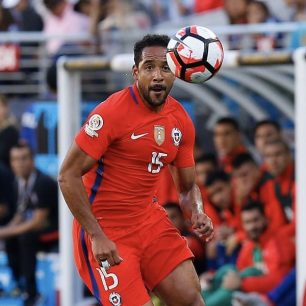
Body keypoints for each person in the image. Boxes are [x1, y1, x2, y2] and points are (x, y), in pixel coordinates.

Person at [58, 34, 214, 306]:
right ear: (135, 72)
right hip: (106, 229)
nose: (157, 75)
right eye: (149, 67)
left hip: (149, 221)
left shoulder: (181, 121)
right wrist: (96, 235)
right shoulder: (111, 113)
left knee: (192, 300)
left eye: (165, 67)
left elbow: (187, 188)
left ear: (176, 71)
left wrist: (197, 212)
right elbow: (67, 176)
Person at [0, 142, 58, 306]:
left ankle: (32, 294)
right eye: (15, 159)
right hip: (35, 226)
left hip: (53, 229)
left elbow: (38, 222)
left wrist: (6, 231)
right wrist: (7, 229)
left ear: (32, 159)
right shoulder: (17, 182)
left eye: (24, 158)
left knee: (25, 237)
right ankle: (19, 283)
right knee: (12, 236)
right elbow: (20, 212)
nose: (19, 163)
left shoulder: (43, 182)